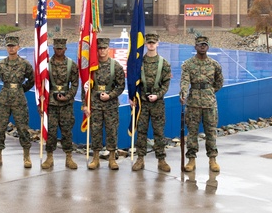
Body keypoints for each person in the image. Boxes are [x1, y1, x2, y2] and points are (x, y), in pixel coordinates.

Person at [0, 35, 35, 168]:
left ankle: (26, 156)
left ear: (18, 47)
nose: (11, 48)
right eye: (9, 46)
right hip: (4, 99)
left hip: (19, 100)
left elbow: (32, 79)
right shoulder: (1, 64)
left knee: (23, 129)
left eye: (13, 46)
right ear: (6, 47)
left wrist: (21, 89)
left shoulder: (25, 64)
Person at [180, 35, 224, 172]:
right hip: (193, 103)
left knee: (211, 132)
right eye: (200, 45)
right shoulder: (188, 64)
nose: (202, 47)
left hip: (209, 104)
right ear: (195, 47)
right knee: (192, 133)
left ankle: (212, 159)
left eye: (205, 44)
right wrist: (183, 92)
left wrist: (209, 92)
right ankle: (191, 160)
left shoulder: (214, 65)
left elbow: (219, 82)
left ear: (208, 47)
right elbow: (185, 81)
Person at [133, 32, 172, 171]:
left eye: (153, 42)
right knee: (141, 132)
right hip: (143, 103)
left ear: (157, 44)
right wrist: (133, 97)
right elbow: (134, 82)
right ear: (145, 44)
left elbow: (166, 84)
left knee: (159, 132)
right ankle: (140, 159)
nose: (151, 44)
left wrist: (158, 95)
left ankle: (161, 160)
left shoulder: (164, 63)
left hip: (157, 103)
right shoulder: (139, 63)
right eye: (148, 42)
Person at [88, 37, 125, 170]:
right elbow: (86, 86)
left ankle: (112, 158)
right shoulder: (92, 66)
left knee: (112, 131)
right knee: (96, 131)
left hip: (110, 105)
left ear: (108, 49)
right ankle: (95, 158)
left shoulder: (116, 66)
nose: (102, 51)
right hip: (95, 104)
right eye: (100, 48)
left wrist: (110, 95)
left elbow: (121, 86)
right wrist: (85, 105)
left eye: (104, 48)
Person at [41, 37, 78, 170]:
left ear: (65, 49)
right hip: (51, 104)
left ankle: (69, 157)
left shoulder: (71, 65)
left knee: (67, 132)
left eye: (61, 48)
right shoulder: (46, 65)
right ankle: (49, 157)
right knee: (51, 132)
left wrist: (67, 96)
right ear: (53, 48)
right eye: (57, 48)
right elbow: (42, 84)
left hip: (66, 105)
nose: (59, 50)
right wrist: (42, 102)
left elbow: (75, 84)